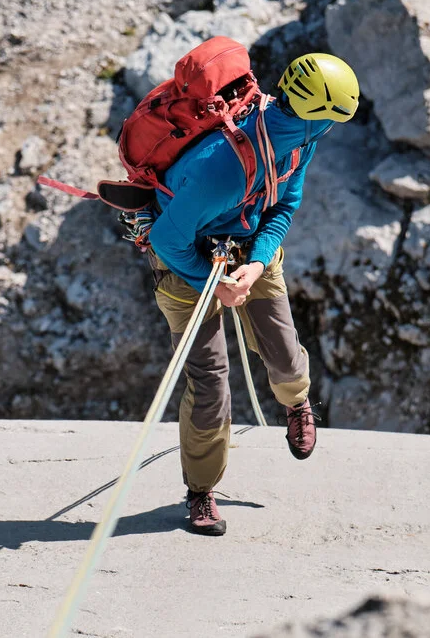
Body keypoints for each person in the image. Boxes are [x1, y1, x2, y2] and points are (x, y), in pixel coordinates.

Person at [145, 53, 361, 536]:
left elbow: (284, 205)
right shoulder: (221, 167)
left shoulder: (302, 138)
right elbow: (167, 239)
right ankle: (201, 491)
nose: (333, 128)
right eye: (332, 118)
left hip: (248, 252)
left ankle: (297, 402)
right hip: (185, 267)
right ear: (315, 110)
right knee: (211, 385)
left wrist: (258, 263)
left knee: (284, 355)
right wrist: (213, 283)